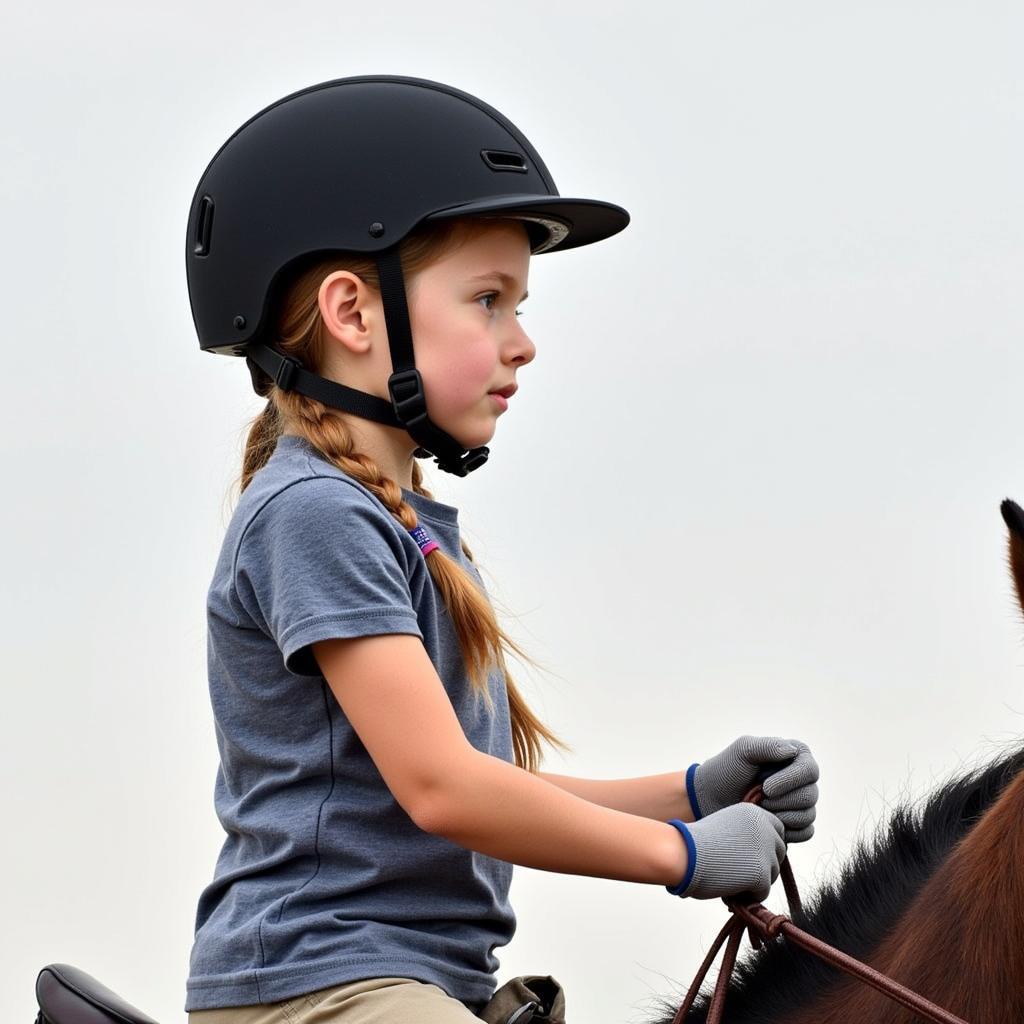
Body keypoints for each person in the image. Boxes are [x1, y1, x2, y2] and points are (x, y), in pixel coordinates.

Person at [182, 75, 820, 1024]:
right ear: (354, 314)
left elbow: (486, 785)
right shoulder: (313, 512)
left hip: (417, 986)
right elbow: (445, 789)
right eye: (488, 300)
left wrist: (689, 794)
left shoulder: (399, 520)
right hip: (316, 988)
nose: (522, 343)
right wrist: (680, 857)